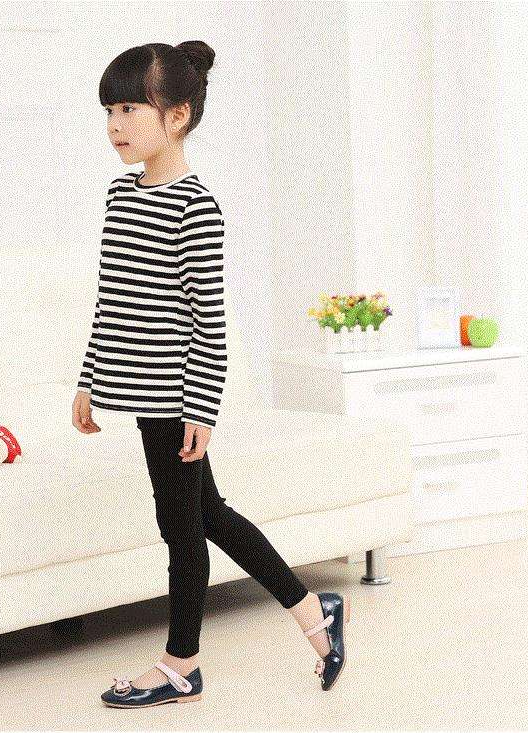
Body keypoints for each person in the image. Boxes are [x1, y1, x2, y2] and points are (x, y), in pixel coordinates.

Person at [71, 41, 350, 708]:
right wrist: (89, 378)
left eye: (130, 109)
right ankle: (312, 611)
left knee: (182, 526)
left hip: (174, 395)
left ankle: (181, 665)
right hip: (139, 391)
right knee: (207, 514)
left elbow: (207, 319)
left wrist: (201, 408)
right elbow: (112, 299)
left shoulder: (195, 207)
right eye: (109, 110)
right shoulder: (120, 194)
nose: (114, 125)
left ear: (177, 116)